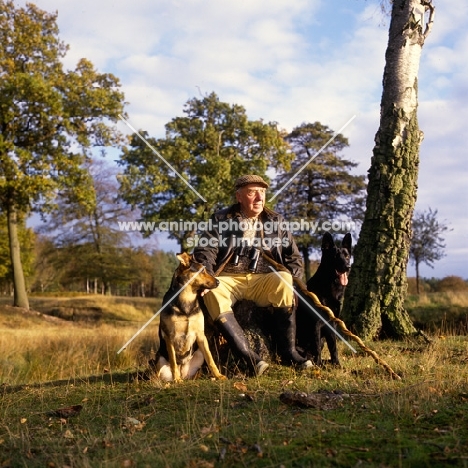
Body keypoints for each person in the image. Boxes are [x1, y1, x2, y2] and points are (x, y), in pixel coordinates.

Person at [193, 174, 312, 375]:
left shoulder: (276, 221)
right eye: (252, 193)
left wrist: (294, 278)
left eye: (262, 192)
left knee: (284, 279)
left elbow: (294, 257)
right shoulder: (221, 219)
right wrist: (207, 275)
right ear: (239, 197)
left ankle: (288, 352)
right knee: (213, 291)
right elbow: (205, 251)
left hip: (262, 280)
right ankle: (250, 359)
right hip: (229, 278)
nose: (259, 198)